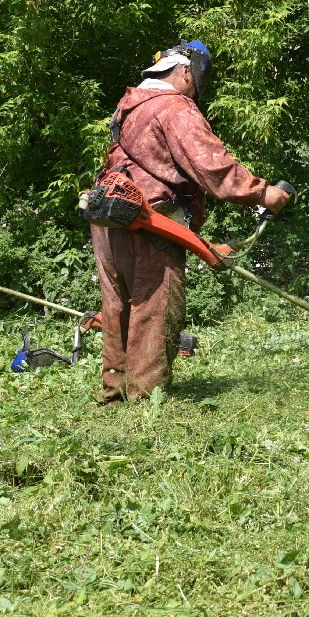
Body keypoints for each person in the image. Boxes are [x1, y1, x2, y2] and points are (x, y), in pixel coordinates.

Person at [88, 41, 290, 403]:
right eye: (197, 79)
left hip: (107, 214)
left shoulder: (129, 106)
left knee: (116, 304)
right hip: (149, 218)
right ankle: (145, 398)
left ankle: (114, 392)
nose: (197, 89)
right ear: (184, 71)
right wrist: (264, 193)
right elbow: (212, 165)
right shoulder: (173, 106)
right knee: (155, 306)